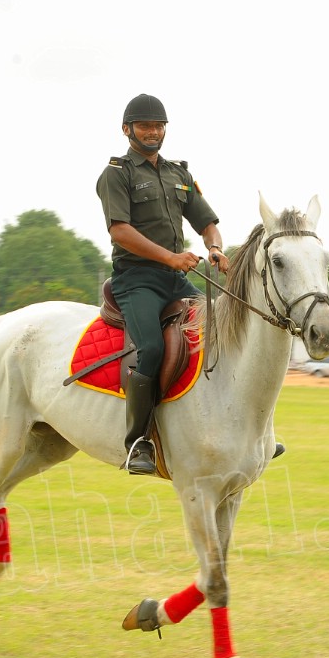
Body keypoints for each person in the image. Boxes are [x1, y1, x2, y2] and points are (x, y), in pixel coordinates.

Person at [97, 93, 230, 475]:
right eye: (144, 126)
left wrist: (215, 248)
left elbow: (206, 222)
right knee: (152, 349)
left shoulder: (179, 174)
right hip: (137, 280)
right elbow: (120, 231)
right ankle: (137, 441)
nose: (153, 132)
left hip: (176, 279)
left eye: (158, 126)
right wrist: (171, 257)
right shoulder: (116, 174)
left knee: (223, 333)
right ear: (127, 130)